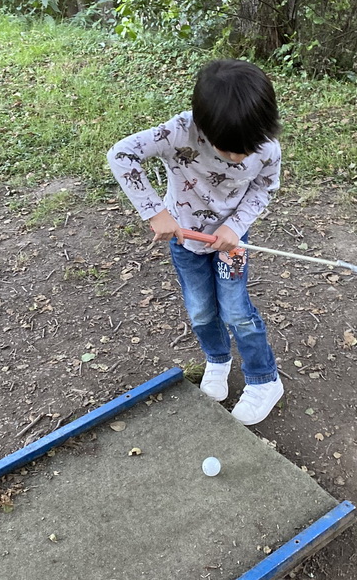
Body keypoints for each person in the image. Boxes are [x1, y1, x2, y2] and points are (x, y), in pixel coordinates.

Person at [107, 59, 284, 426]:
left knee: (236, 309)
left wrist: (235, 226)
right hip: (184, 239)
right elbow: (121, 155)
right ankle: (218, 360)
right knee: (201, 310)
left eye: (247, 149)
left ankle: (264, 380)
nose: (240, 157)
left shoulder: (265, 147)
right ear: (203, 128)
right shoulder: (179, 132)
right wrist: (156, 212)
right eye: (229, 150)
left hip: (231, 243)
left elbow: (264, 189)